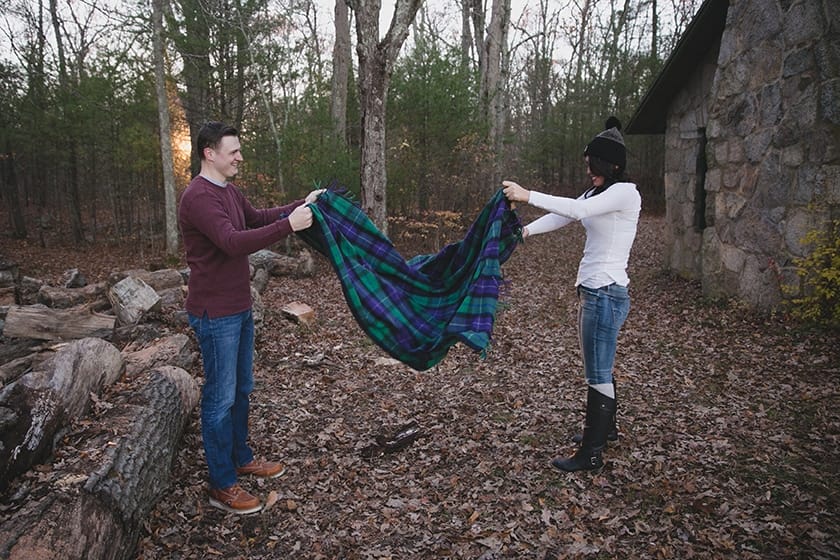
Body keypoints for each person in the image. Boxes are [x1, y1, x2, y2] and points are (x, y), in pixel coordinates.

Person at [179, 121, 323, 513]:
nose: (240, 157)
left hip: (239, 307)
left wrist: (302, 204)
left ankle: (241, 457)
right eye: (234, 151)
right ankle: (222, 483)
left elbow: (257, 218)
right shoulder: (198, 197)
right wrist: (288, 227)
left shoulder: (229, 191)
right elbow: (231, 242)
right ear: (210, 153)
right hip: (215, 314)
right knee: (220, 397)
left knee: (242, 388)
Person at [502, 117, 641, 472]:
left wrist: (528, 195)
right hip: (596, 291)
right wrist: (525, 232)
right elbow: (564, 216)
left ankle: (591, 454)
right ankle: (606, 431)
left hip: (605, 292)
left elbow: (577, 211)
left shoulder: (625, 193)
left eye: (594, 165)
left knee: (597, 372)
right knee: (600, 366)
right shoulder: (599, 193)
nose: (589, 171)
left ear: (612, 166)